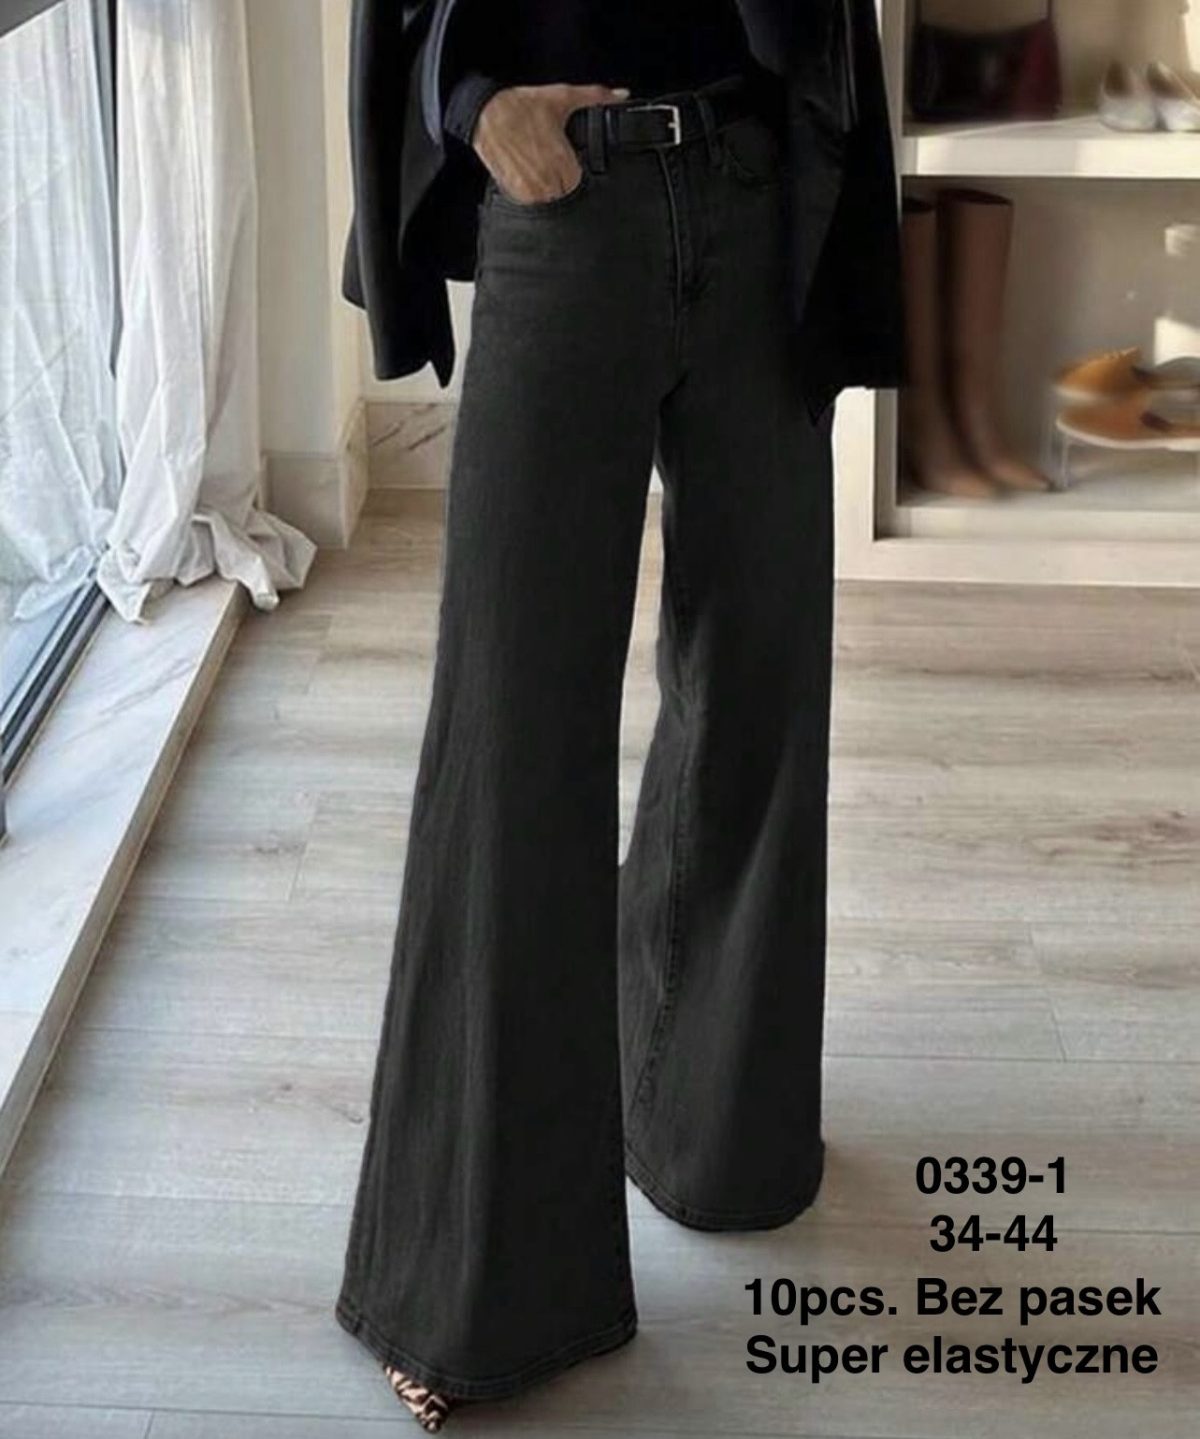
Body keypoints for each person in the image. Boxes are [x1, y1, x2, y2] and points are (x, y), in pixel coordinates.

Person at [333, 1, 903, 1430]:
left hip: (757, 190)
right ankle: (469, 1282)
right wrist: (471, 102)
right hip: (560, 203)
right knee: (514, 733)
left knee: (760, 693)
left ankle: (714, 1129)